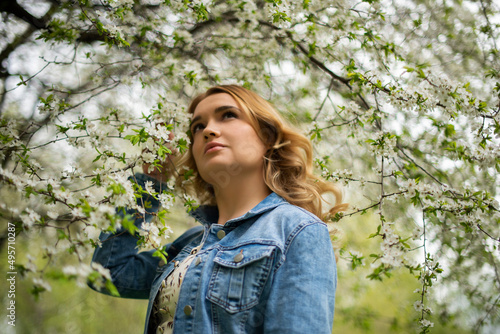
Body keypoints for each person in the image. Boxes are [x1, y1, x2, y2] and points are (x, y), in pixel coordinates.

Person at [89, 85, 346, 334]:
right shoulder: (189, 245)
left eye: (228, 115)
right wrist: (151, 183)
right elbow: (108, 273)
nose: (208, 130)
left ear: (266, 136)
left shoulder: (296, 230)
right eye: (197, 126)